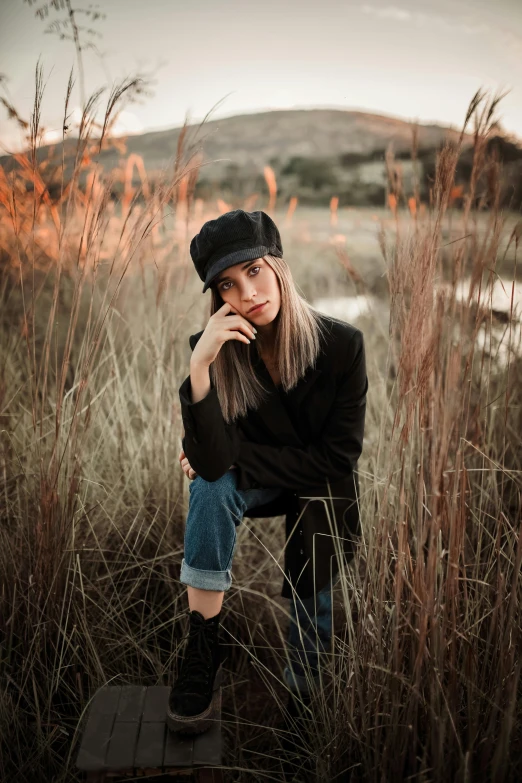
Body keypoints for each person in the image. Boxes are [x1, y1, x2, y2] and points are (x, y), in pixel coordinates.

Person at [166, 209, 368, 737]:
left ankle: (305, 694)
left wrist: (237, 455)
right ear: (218, 297)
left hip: (318, 486)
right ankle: (203, 644)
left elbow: (337, 460)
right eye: (229, 285)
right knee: (210, 485)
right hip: (256, 482)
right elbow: (210, 464)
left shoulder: (342, 346)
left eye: (254, 270)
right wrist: (200, 367)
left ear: (278, 266)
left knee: (320, 508)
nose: (248, 293)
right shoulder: (215, 347)